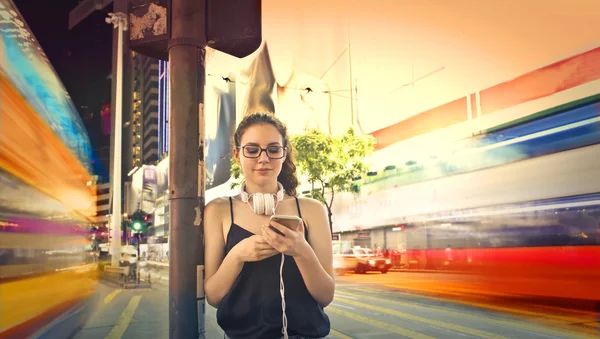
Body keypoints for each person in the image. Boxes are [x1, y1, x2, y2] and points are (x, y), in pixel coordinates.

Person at [204, 112, 334, 339]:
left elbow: (326, 295)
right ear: (237, 154)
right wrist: (237, 255)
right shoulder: (218, 210)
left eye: (273, 150)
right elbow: (214, 296)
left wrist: (301, 251)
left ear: (283, 154)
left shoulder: (312, 210)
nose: (263, 158)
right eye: (252, 150)